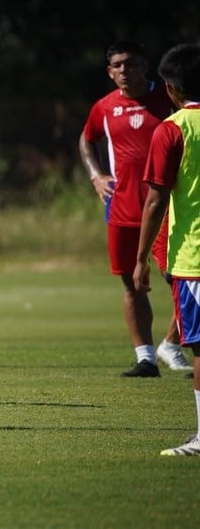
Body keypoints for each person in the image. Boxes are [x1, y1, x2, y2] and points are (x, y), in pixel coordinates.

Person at [78, 39, 190, 377]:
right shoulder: (104, 107)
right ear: (110, 72)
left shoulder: (168, 100)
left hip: (165, 207)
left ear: (144, 65)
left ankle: (172, 343)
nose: (124, 70)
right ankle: (145, 358)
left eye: (130, 63)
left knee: (179, 280)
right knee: (131, 283)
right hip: (122, 208)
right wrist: (96, 175)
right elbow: (87, 139)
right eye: (117, 65)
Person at [133, 42, 200, 455]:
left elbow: (156, 199)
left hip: (195, 258)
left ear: (171, 88)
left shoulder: (172, 129)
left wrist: (140, 258)